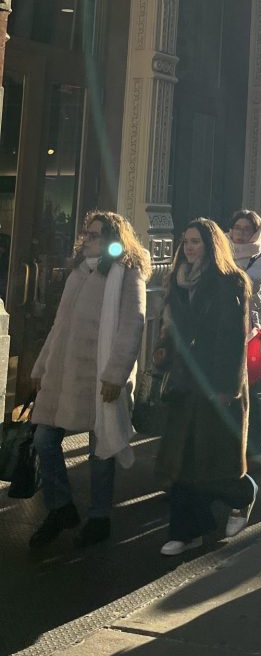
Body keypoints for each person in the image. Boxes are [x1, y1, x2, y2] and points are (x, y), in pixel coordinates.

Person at [29, 212, 150, 549]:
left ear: (113, 238)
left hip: (100, 376)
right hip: (63, 373)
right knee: (43, 439)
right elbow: (59, 325)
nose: (88, 238)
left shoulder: (128, 274)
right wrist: (41, 367)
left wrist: (115, 375)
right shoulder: (78, 272)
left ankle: (99, 518)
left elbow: (132, 326)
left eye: (95, 234)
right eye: (86, 233)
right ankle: (60, 507)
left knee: (102, 449)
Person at [154, 219, 257, 555]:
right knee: (183, 460)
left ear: (212, 245)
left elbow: (233, 340)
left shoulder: (230, 282)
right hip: (184, 381)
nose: (189, 248)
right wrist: (163, 353)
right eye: (186, 241)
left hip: (215, 380)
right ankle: (186, 532)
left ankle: (243, 494)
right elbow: (171, 329)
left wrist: (227, 386)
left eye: (196, 241)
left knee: (215, 461)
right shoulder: (177, 281)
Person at [227, 210, 261, 468]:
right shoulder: (220, 248)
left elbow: (251, 283)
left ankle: (254, 448)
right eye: (237, 227)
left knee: (248, 390)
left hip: (247, 330)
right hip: (217, 327)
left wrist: (220, 271)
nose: (241, 233)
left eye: (247, 229)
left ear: (255, 233)